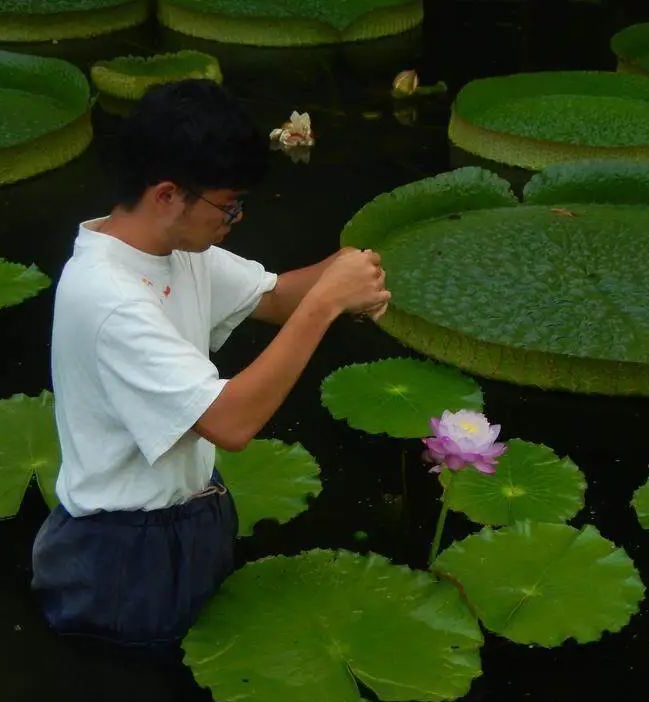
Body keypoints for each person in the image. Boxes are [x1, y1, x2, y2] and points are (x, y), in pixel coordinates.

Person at [31, 80, 390, 647]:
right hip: (123, 553)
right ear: (168, 195)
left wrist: (346, 270)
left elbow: (272, 298)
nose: (236, 218)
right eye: (228, 205)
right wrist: (326, 304)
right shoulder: (109, 297)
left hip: (193, 514)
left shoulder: (171, 251)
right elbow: (230, 422)